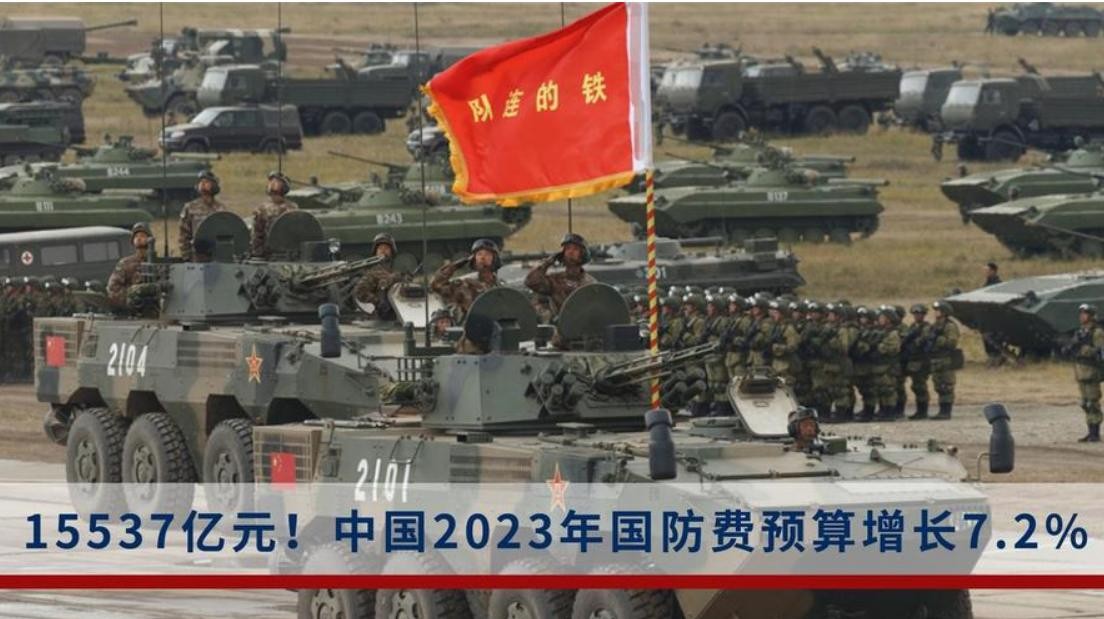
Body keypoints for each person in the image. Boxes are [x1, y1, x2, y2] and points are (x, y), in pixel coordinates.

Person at [523, 233, 596, 316]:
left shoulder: (590, 283)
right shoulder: (554, 280)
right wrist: (547, 262)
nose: (570, 252)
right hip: (559, 322)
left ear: (583, 254)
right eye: (567, 248)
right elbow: (530, 282)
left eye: (575, 249)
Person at [430, 238, 501, 320]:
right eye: (479, 254)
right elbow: (436, 285)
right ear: (473, 259)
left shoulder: (500, 285)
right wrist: (455, 266)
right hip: (472, 325)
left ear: (494, 259)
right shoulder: (465, 285)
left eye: (487, 254)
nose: (483, 257)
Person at [1069, 304, 1104, 442]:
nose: (1082, 316)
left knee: (1092, 403)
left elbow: (1100, 351)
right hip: (1081, 371)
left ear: (1091, 316)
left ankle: (1095, 433)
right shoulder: (1080, 332)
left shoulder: (1097, 332)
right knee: (1085, 403)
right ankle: (1090, 431)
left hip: (1092, 371)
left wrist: (1085, 350)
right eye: (1081, 313)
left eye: (1085, 313)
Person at [107, 222, 156, 315]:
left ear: (150, 239)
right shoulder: (125, 263)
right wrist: (132, 294)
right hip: (133, 312)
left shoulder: (157, 263)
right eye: (136, 236)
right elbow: (113, 288)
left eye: (142, 236)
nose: (139, 238)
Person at [353, 233, 403, 320]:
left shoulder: (397, 271)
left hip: (401, 314)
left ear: (392, 251)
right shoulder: (372, 273)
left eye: (386, 248)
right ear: (375, 252)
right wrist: (377, 302)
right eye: (380, 248)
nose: (383, 251)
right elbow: (359, 291)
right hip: (382, 316)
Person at [179, 170, 225, 260]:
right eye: (201, 182)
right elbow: (183, 234)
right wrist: (186, 256)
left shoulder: (221, 209)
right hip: (196, 256)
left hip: (217, 255)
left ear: (214, 185)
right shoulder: (190, 207)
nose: (203, 184)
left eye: (206, 182)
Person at [250, 171, 298, 259]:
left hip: (280, 253)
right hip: (277, 254)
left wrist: (257, 253)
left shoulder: (262, 209)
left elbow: (256, 236)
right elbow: (257, 235)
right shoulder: (292, 208)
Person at [928, 301, 960, 420]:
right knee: (938, 386)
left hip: (946, 359)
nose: (936, 312)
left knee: (946, 386)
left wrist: (939, 340)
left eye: (938, 310)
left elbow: (952, 342)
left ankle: (946, 411)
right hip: (936, 359)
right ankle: (942, 410)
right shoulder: (935, 325)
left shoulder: (949, 326)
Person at [904, 304, 932, 419]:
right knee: (916, 386)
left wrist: (913, 343)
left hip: (922, 360)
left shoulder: (926, 327)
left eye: (919, 314)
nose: (917, 316)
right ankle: (919, 411)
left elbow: (921, 342)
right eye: (915, 314)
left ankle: (923, 411)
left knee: (920, 386)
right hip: (913, 360)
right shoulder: (912, 327)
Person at [982, 262, 1005, 366]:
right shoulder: (986, 284)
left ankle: (998, 356)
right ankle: (991, 356)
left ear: (993, 271)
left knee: (995, 336)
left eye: (987, 271)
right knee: (986, 336)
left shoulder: (999, 284)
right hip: (987, 315)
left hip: (996, 316)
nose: (985, 273)